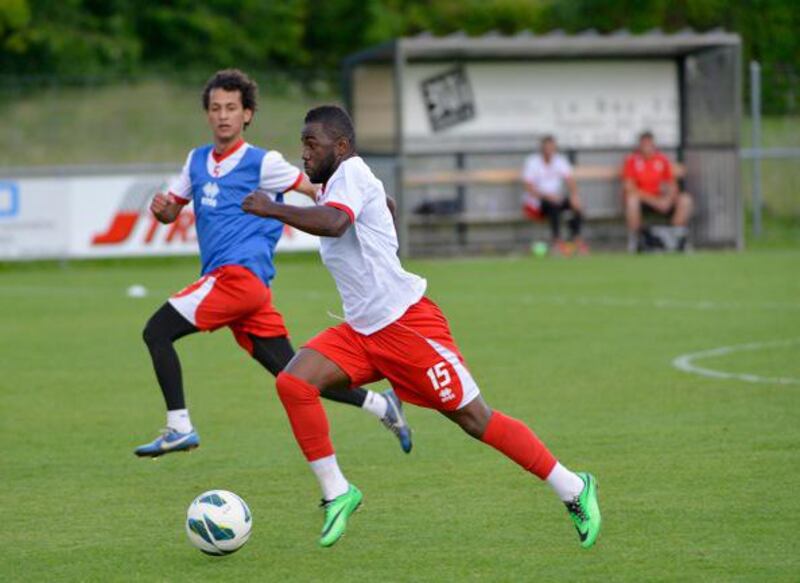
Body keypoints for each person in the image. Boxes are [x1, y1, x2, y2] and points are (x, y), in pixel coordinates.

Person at [241, 105, 602, 549]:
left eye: (312, 144)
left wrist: (273, 210)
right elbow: (381, 206)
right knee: (294, 382)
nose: (304, 154)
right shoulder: (338, 183)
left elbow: (336, 224)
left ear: (341, 146)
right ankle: (338, 492)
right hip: (361, 332)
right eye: (302, 145)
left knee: (475, 420)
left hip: (407, 329)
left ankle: (572, 486)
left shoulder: (351, 172)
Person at [134, 70, 412, 458]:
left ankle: (179, 426)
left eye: (232, 107)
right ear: (207, 115)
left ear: (247, 114)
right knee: (294, 374)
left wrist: (373, 205)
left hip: (238, 279)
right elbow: (170, 211)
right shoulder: (196, 161)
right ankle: (381, 406)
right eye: (215, 108)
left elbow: (318, 188)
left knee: (157, 331)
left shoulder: (263, 163)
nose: (223, 115)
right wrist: (163, 210)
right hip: (245, 293)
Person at [622, 131, 693, 252]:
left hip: (661, 200)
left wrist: (668, 199)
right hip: (643, 201)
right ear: (639, 146)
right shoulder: (632, 161)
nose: (647, 147)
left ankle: (676, 237)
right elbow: (629, 188)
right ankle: (636, 239)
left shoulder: (662, 160)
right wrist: (654, 201)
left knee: (685, 200)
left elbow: (671, 184)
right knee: (631, 201)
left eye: (650, 144)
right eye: (644, 144)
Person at [522, 135, 588, 255]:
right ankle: (556, 242)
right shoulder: (532, 162)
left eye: (551, 148)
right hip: (537, 202)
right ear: (542, 148)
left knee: (575, 206)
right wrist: (547, 196)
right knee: (554, 206)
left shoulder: (560, 161)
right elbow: (528, 187)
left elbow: (570, 180)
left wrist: (574, 196)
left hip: (556, 199)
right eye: (546, 148)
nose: (549, 151)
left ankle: (576, 239)